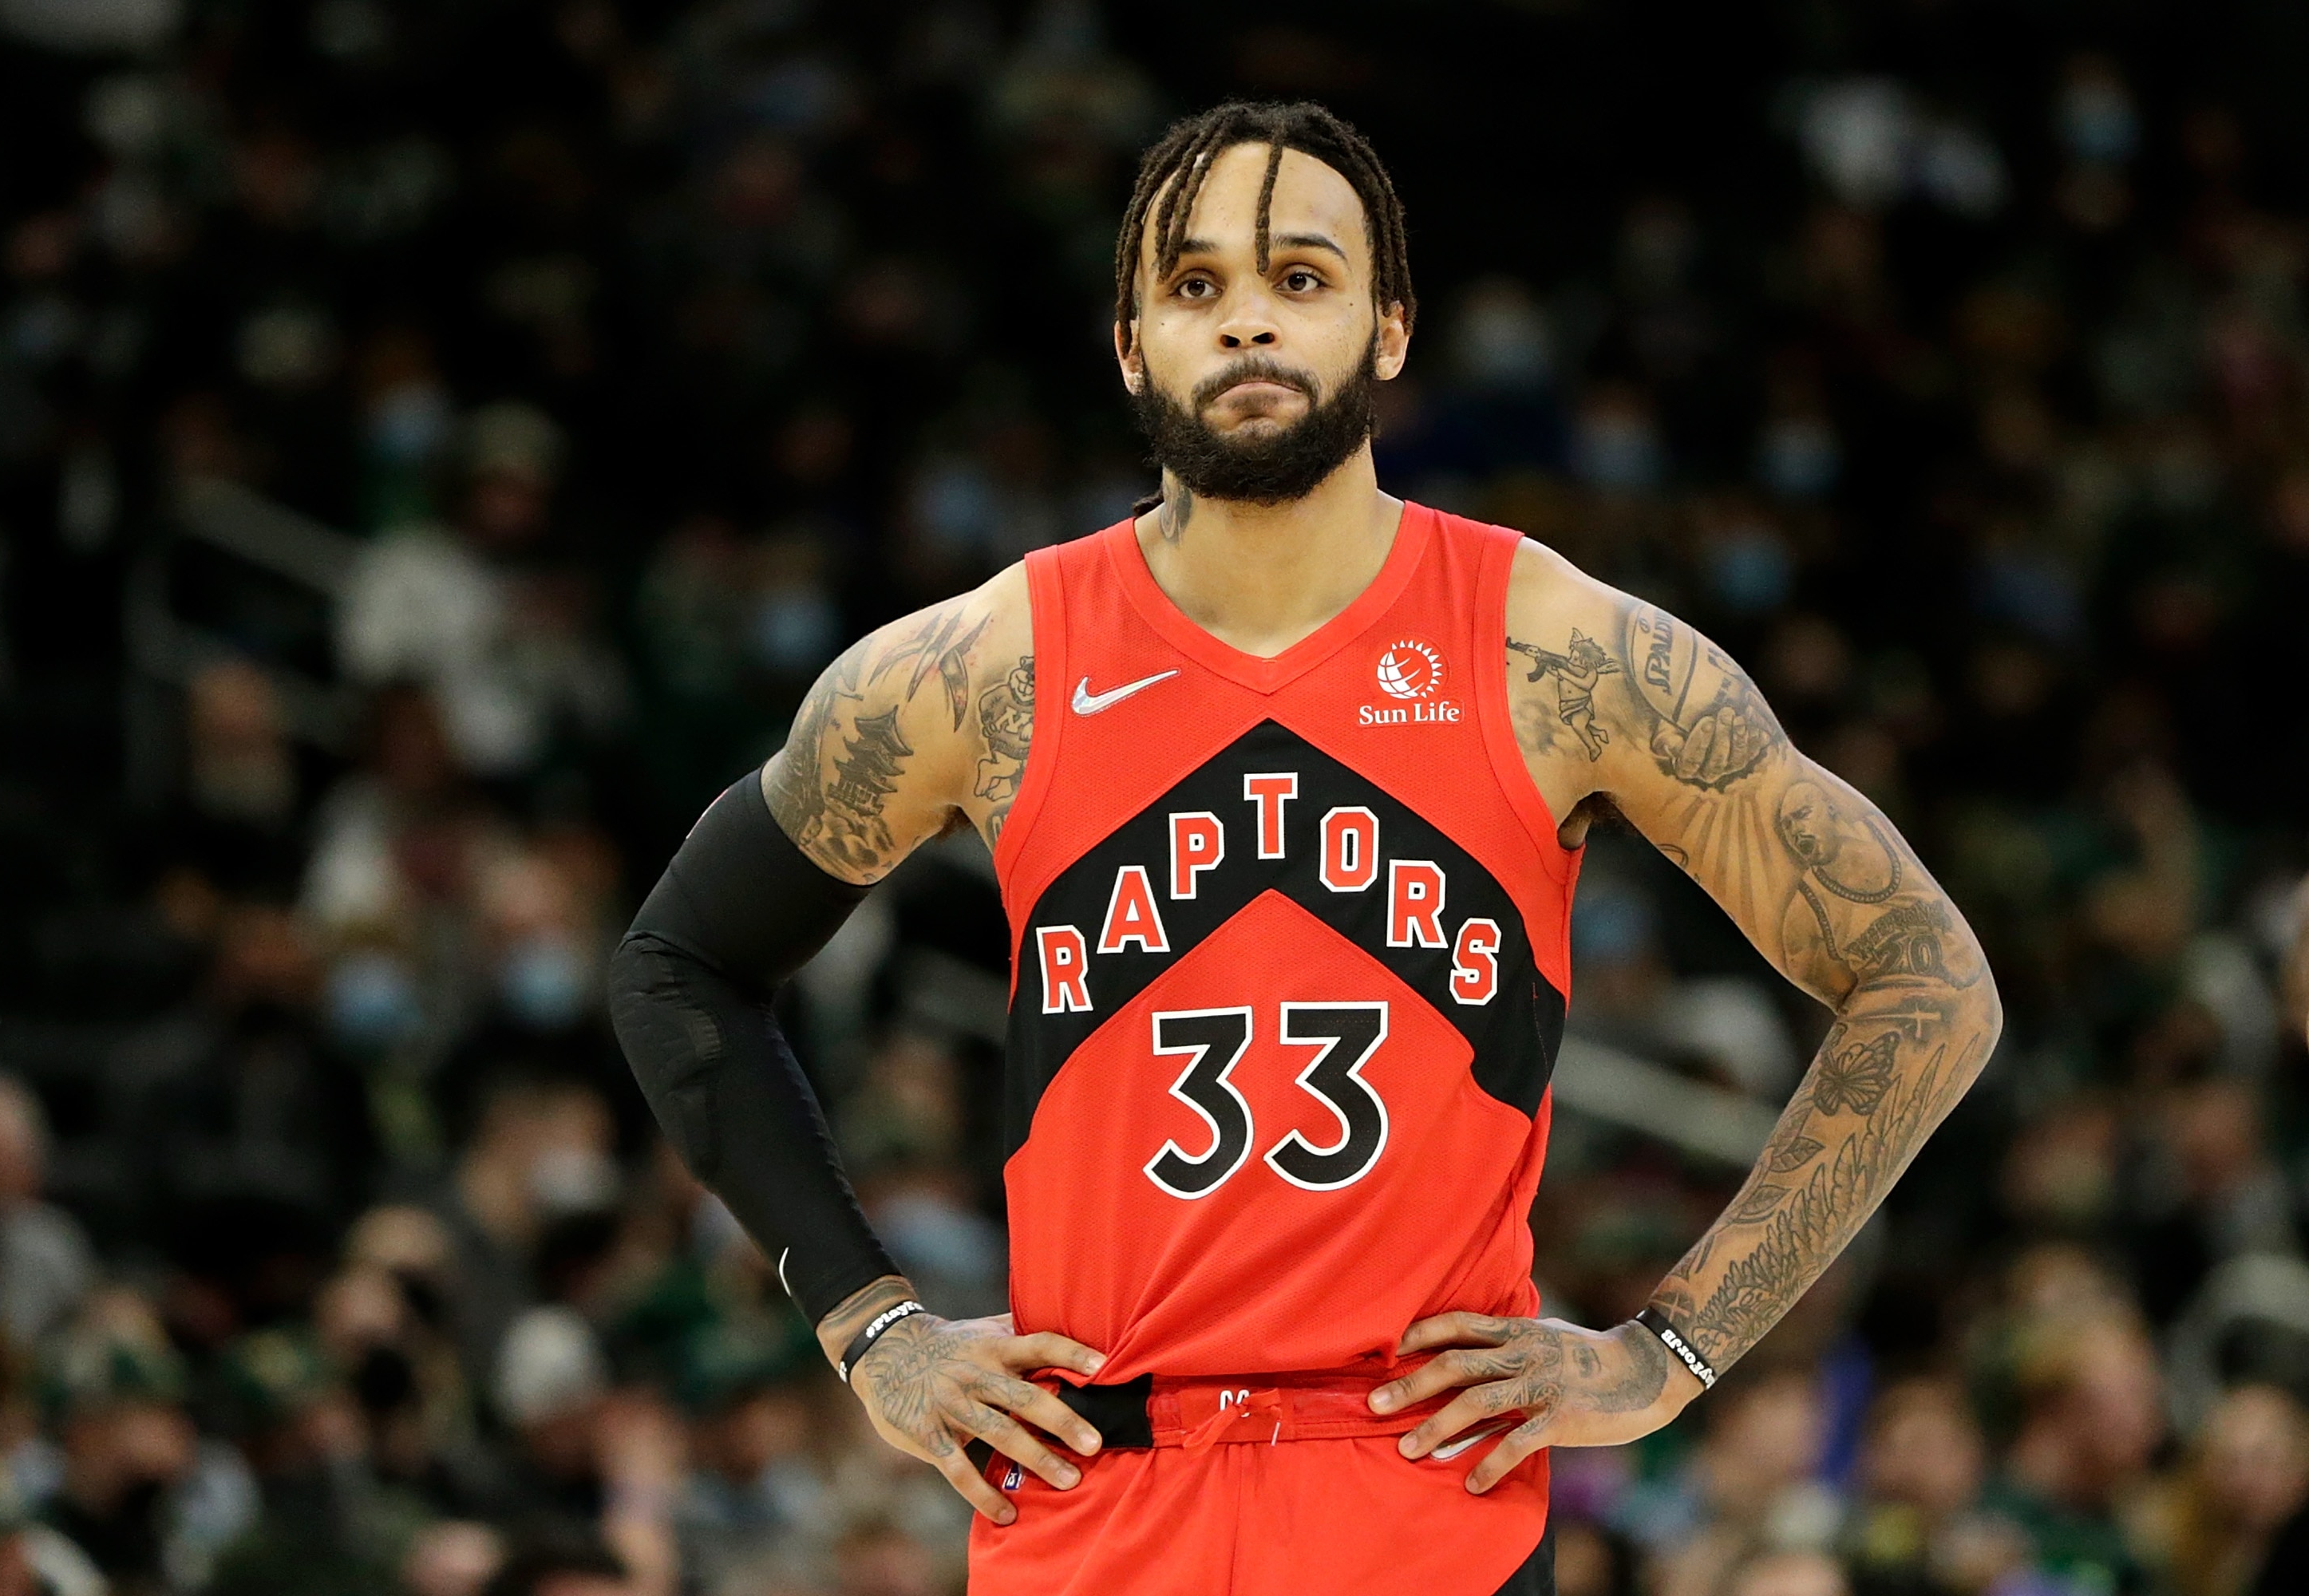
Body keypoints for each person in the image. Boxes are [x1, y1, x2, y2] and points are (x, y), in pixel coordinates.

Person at [608, 99, 2002, 1596]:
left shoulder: (1561, 655)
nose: (1250, 324)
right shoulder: (979, 671)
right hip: (1094, 1502)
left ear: (1391, 329)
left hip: (1431, 1504)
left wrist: (1672, 1349)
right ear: (1131, 344)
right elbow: (678, 966)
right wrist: (872, 1327)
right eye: (1196, 286)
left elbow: (1926, 980)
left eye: (1302, 278)